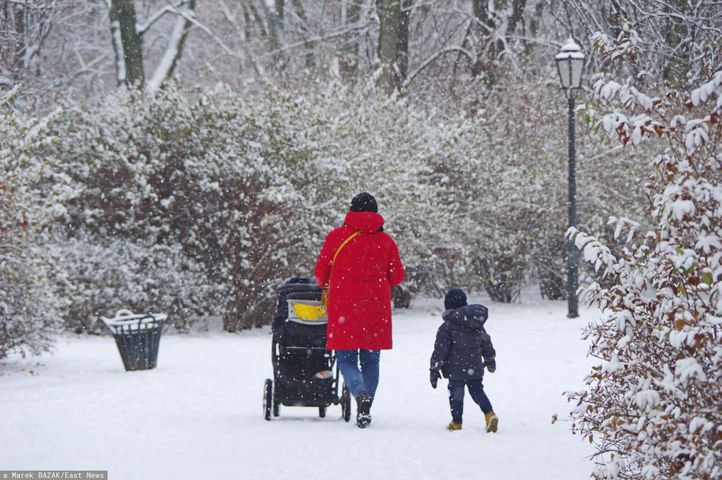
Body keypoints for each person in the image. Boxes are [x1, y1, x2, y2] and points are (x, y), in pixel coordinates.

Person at [314, 192, 404, 428]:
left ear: (351, 211)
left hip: (344, 309)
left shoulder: (336, 237)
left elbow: (320, 274)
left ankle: (360, 393)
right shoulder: (386, 242)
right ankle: (366, 405)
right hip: (376, 309)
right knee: (371, 361)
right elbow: (397, 277)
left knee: (345, 359)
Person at [429, 288, 498, 432]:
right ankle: (489, 414)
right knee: (478, 392)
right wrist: (490, 358)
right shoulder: (476, 324)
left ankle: (456, 423)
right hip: (475, 367)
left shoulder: (446, 327)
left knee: (456, 396)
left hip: (455, 370)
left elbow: (440, 350)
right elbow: (486, 342)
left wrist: (434, 369)